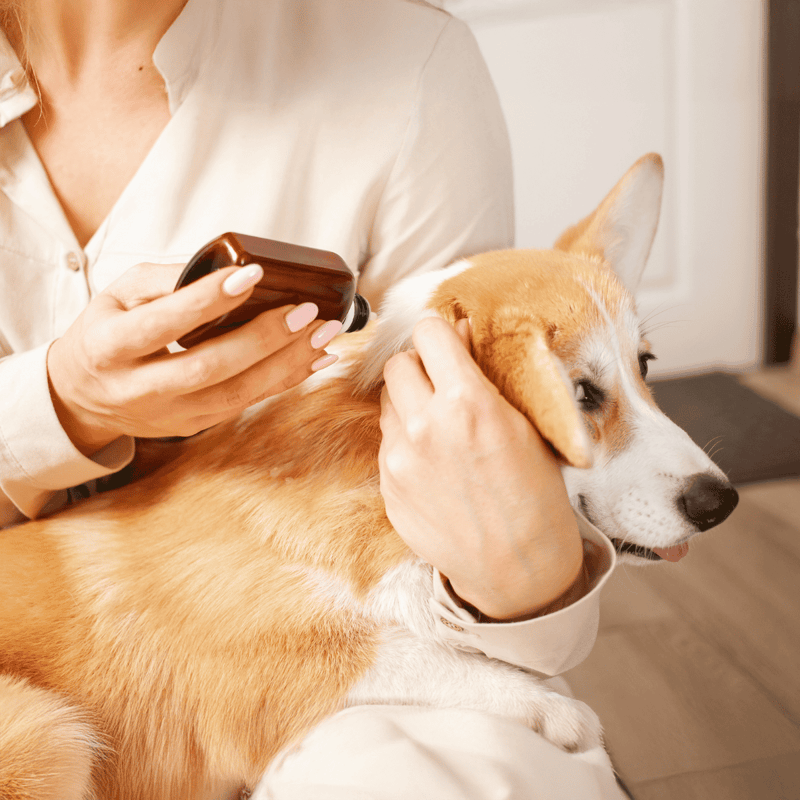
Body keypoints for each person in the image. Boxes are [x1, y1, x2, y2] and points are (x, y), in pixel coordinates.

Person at [0, 0, 621, 796]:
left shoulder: (408, 63)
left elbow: (492, 531)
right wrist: (62, 403)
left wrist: (527, 572)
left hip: (337, 654)